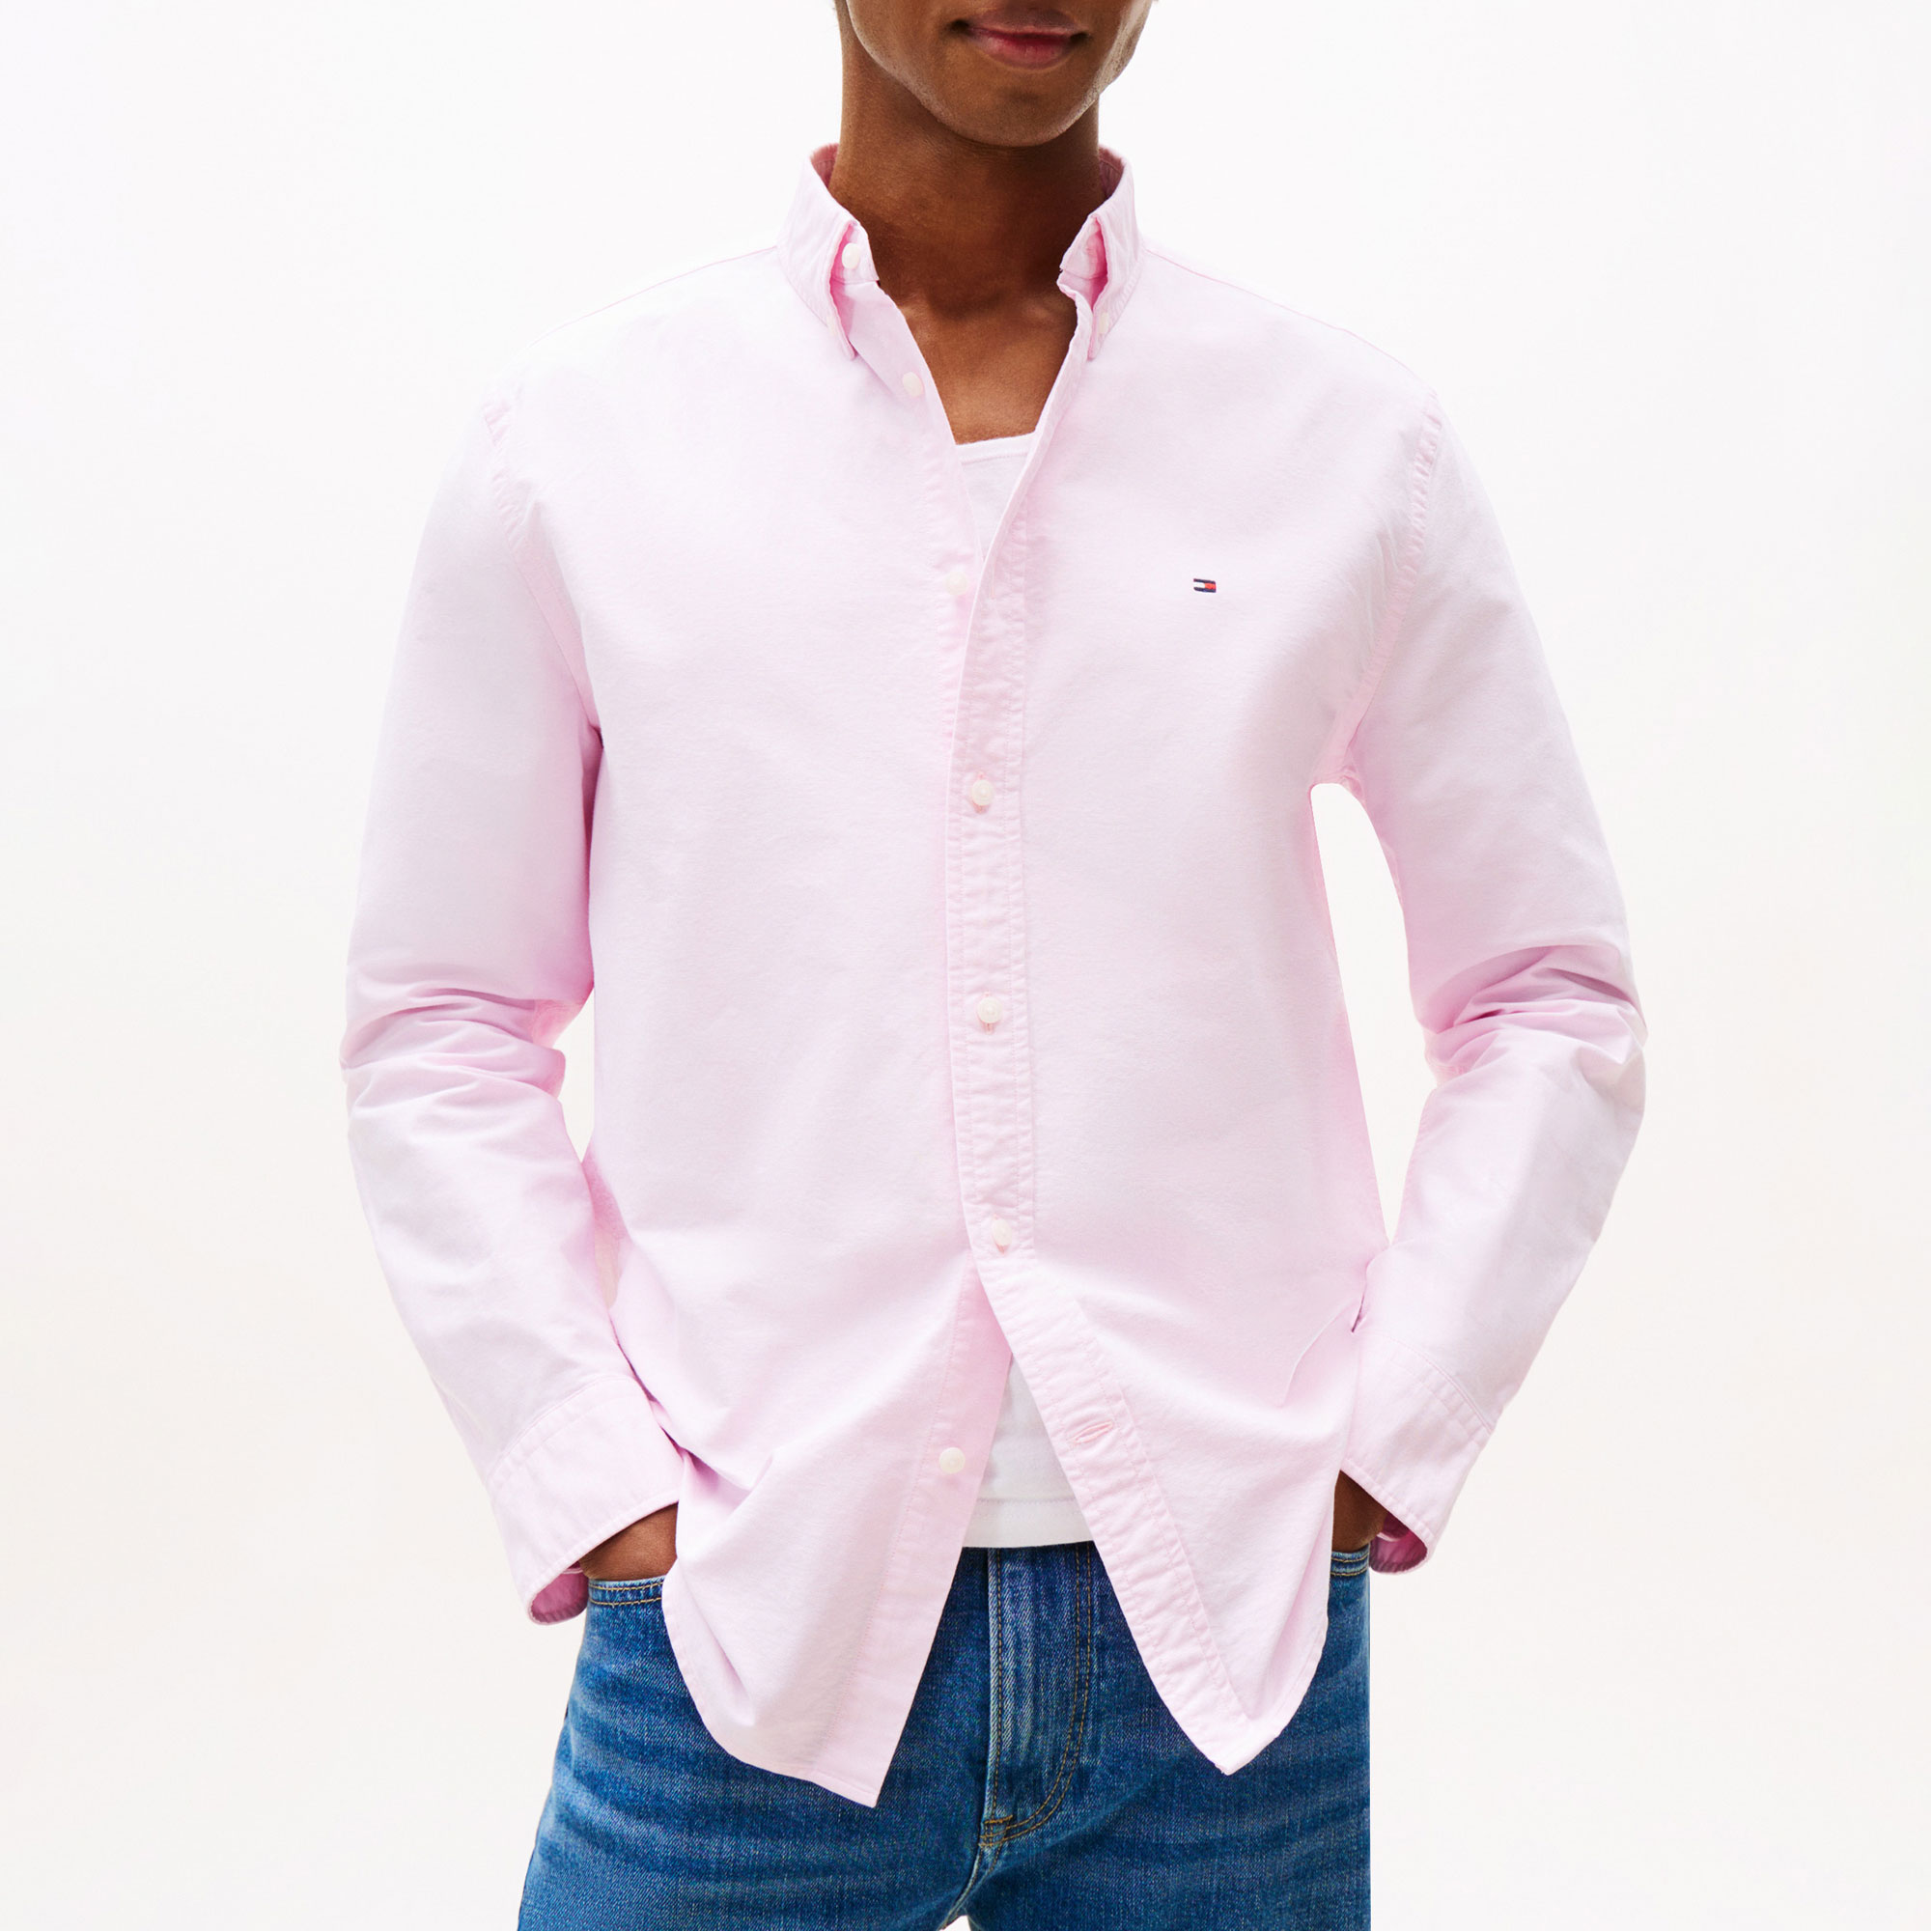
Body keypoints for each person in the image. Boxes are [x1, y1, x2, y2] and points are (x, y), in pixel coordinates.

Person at [340, 2, 1646, 1925]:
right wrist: (590, 1477)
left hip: (1220, 1648)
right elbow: (441, 1022)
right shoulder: (583, 440)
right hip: (741, 1627)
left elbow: (1544, 992)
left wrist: (1392, 1435)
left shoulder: (1345, 440)